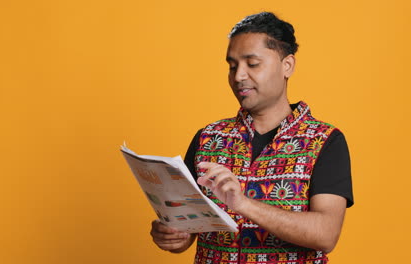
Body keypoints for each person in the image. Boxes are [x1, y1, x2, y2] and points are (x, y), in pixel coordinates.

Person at [150, 12, 353, 264]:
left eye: (252, 64)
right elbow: (188, 230)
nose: (238, 77)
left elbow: (325, 234)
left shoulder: (324, 141)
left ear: (287, 65)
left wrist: (243, 204)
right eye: (232, 66)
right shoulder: (207, 138)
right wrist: (173, 236)